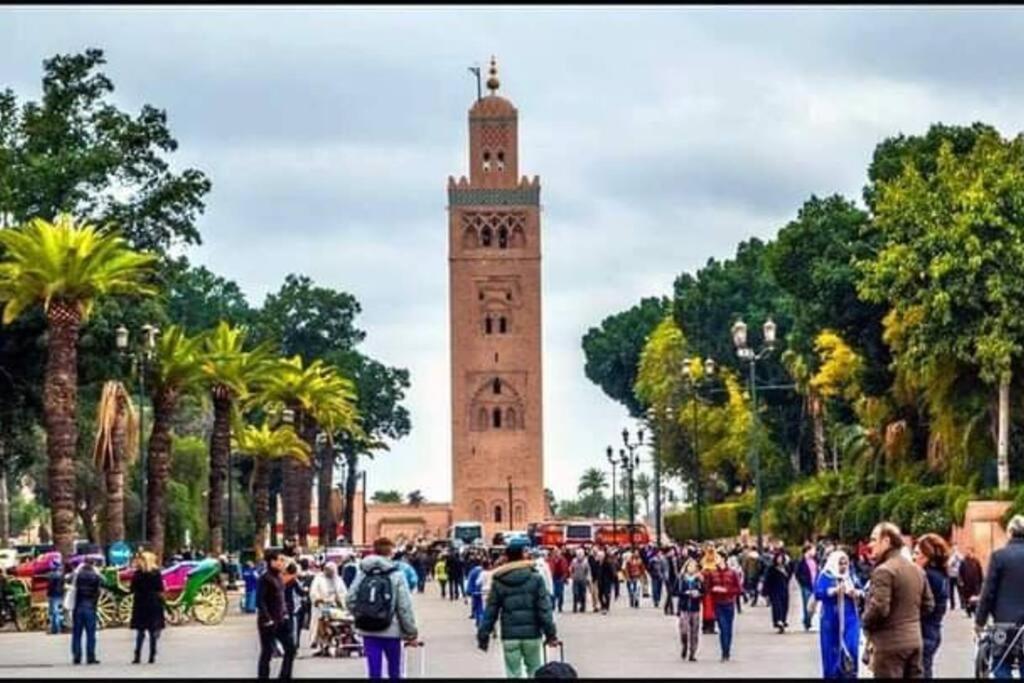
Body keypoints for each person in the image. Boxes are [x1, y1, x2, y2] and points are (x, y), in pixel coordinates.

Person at [862, 522, 935, 679]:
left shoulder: (884, 570)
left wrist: (865, 621)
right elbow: (929, 605)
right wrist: (910, 621)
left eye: (874, 539)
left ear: (886, 541)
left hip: (889, 646)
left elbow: (880, 608)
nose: (870, 544)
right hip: (914, 641)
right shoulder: (917, 570)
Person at [477, 538, 559, 678]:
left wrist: (483, 635)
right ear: (523, 555)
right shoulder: (536, 578)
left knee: (513, 672)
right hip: (532, 635)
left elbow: (491, 611)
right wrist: (551, 634)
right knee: (534, 670)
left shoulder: (499, 581)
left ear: (507, 557)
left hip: (510, 636)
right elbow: (544, 609)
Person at [347, 537, 419, 680]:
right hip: (391, 629)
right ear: (391, 552)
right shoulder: (396, 575)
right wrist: (411, 632)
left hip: (368, 629)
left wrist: (363, 613)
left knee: (374, 672)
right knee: (394, 671)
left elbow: (350, 599)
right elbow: (404, 607)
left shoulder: (363, 573)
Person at [974, 514, 1024, 679]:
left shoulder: (999, 556)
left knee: (1000, 664)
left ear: (1009, 532)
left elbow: (988, 592)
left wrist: (979, 622)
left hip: (1004, 623)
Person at [815, 550, 863, 679]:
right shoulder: (826, 576)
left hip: (850, 618)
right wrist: (834, 591)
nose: (843, 566)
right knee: (831, 651)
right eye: (840, 563)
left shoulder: (850, 576)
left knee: (851, 647)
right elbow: (818, 593)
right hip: (831, 620)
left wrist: (856, 593)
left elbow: (862, 590)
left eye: (845, 563)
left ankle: (850, 674)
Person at [913, 534, 949, 679]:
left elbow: (921, 606)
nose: (913, 557)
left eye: (916, 553)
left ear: (926, 556)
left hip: (923, 632)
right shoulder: (940, 575)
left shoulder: (926, 576)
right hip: (933, 631)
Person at [257, 549, 296, 679]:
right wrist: (267, 619)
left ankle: (285, 675)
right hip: (268, 622)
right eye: (279, 560)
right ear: (272, 561)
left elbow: (281, 598)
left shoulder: (279, 577)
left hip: (281, 620)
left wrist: (285, 613)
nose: (281, 563)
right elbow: (260, 601)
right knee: (267, 653)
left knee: (290, 648)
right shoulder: (265, 578)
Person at [129, 551, 165, 665]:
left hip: (140, 603)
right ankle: (152, 655)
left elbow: (132, 588)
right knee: (152, 630)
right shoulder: (156, 573)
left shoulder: (138, 574)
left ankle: (137, 655)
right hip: (153, 602)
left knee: (140, 631)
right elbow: (160, 588)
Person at [706, 552, 742, 661]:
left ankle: (727, 651)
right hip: (718, 604)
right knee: (723, 628)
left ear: (724, 560)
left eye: (720, 559)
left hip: (729, 603)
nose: (718, 561)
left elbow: (739, 589)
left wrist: (727, 590)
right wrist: (713, 590)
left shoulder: (732, 573)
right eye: (717, 559)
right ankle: (724, 652)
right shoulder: (712, 573)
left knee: (729, 629)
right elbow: (707, 588)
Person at [70, 556, 102, 665]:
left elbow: (73, 587)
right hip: (90, 606)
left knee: (77, 633)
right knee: (91, 634)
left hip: (79, 606)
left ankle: (77, 656)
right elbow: (97, 592)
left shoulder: (78, 575)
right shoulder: (95, 576)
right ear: (92, 564)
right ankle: (90, 656)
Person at [309, 561, 345, 656]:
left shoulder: (338, 580)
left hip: (335, 607)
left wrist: (341, 602)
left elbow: (343, 593)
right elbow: (313, 592)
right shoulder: (318, 579)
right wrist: (318, 600)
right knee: (320, 626)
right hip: (321, 607)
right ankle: (323, 646)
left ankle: (335, 644)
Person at [676, 559, 704, 662]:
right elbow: (676, 591)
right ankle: (684, 645)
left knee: (694, 631)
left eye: (694, 566)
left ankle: (692, 653)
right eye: (690, 566)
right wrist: (685, 593)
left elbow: (704, 591)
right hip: (684, 608)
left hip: (695, 608)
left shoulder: (699, 579)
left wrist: (698, 593)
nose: (692, 568)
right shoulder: (681, 578)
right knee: (684, 630)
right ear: (686, 567)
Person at [763, 550, 792, 633]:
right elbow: (767, 580)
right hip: (774, 591)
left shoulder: (786, 568)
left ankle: (783, 620)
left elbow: (791, 572)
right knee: (777, 607)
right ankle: (778, 621)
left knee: (784, 607)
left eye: (781, 558)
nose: (779, 560)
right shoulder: (772, 568)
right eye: (778, 558)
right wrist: (765, 592)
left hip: (784, 590)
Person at [794, 543, 819, 632]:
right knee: (807, 604)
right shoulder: (801, 561)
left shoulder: (815, 561)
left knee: (813, 606)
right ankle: (807, 622)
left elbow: (817, 572)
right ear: (808, 550)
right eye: (813, 550)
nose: (815, 552)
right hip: (806, 586)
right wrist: (803, 583)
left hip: (814, 586)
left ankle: (808, 620)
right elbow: (797, 573)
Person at [959, 546, 984, 618]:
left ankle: (974, 609)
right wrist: (961, 581)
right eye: (967, 551)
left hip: (975, 583)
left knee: (975, 597)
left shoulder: (976, 561)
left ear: (973, 552)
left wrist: (981, 581)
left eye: (969, 551)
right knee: (967, 597)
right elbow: (960, 572)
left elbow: (980, 571)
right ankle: (968, 610)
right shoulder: (963, 562)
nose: (968, 553)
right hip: (967, 583)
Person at [46, 558, 64, 635]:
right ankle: (57, 628)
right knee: (57, 611)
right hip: (59, 594)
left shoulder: (51, 575)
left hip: (53, 595)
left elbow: (50, 586)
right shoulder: (61, 575)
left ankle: (55, 629)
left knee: (54, 612)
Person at [548, 547, 569, 614]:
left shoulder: (563, 560)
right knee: (553, 593)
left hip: (560, 578)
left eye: (557, 552)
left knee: (560, 593)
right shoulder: (551, 560)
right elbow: (549, 568)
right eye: (555, 552)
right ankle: (553, 606)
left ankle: (560, 606)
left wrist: (564, 578)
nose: (556, 553)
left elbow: (566, 570)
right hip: (553, 578)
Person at [569, 549, 590, 614]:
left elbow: (588, 570)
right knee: (575, 594)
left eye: (580, 555)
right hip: (575, 580)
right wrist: (572, 575)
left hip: (583, 580)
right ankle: (574, 607)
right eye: (578, 555)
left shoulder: (586, 562)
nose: (579, 556)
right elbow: (571, 569)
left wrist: (587, 578)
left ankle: (583, 607)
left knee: (583, 594)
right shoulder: (574, 561)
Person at [597, 550, 617, 614]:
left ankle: (606, 606)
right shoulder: (597, 563)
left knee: (606, 594)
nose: (599, 557)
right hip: (600, 581)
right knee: (599, 595)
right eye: (598, 556)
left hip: (607, 582)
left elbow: (611, 572)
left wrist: (612, 580)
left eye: (600, 556)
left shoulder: (607, 563)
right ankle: (603, 605)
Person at [946, 544, 961, 612]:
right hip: (951, 575)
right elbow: (948, 564)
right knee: (951, 591)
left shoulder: (959, 556)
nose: (955, 550)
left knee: (960, 590)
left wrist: (957, 556)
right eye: (954, 549)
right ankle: (952, 605)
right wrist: (953, 558)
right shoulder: (950, 557)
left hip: (957, 575)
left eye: (956, 549)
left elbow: (962, 562)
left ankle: (963, 604)